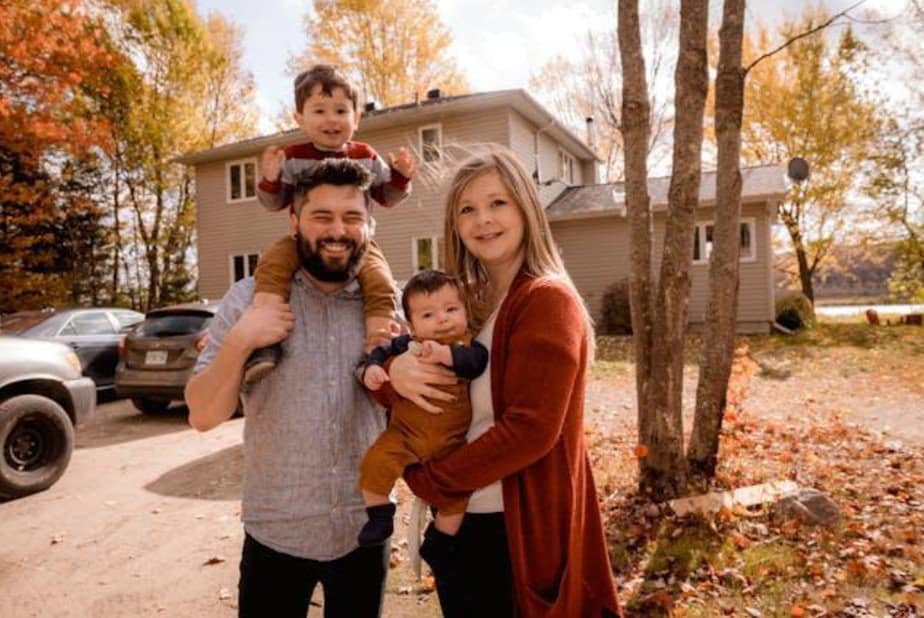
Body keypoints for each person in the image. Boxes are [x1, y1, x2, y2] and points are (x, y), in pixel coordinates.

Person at [383, 147, 623, 617]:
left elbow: (530, 430)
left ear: (526, 209)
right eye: (467, 209)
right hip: (465, 525)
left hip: (509, 533)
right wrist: (395, 369)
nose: (483, 220)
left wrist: (430, 481)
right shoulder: (467, 306)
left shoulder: (546, 300)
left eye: (498, 203)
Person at [185, 159, 391, 618]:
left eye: (352, 217)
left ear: (368, 225)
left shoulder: (387, 309)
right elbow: (202, 415)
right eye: (322, 217)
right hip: (276, 534)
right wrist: (242, 339)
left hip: (364, 532)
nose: (338, 230)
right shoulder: (249, 299)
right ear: (294, 220)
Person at [244, 63, 415, 383]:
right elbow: (275, 202)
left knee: (380, 282)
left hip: (359, 245)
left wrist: (401, 178)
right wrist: (270, 180)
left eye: (340, 110)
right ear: (299, 119)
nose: (331, 120)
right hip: (303, 242)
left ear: (357, 118)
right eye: (319, 110)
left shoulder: (365, 155)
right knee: (272, 267)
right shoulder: (293, 158)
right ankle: (264, 341)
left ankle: (378, 348)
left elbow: (386, 197)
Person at [356, 269, 489, 547]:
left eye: (451, 309)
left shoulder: (467, 345)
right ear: (412, 326)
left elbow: (477, 362)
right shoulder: (408, 344)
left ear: (465, 311)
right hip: (405, 434)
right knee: (374, 464)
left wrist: (448, 354)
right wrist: (372, 370)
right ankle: (379, 514)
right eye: (427, 315)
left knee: (456, 500)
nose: (442, 319)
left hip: (451, 443)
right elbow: (380, 352)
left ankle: (440, 541)